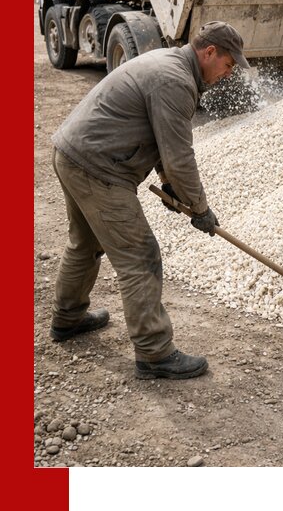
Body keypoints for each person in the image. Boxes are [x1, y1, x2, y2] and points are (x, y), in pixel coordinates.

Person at [49, 21, 250, 379]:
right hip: (98, 169)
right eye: (229, 64)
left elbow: (159, 141)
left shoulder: (169, 63)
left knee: (85, 243)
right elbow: (179, 157)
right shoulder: (176, 81)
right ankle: (155, 353)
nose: (228, 72)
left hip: (73, 153)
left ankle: (68, 318)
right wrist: (200, 208)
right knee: (140, 255)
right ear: (209, 53)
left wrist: (167, 183)